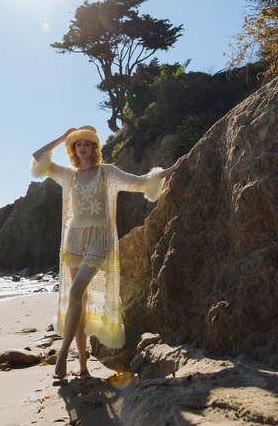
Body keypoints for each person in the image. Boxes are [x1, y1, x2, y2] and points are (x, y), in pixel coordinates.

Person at [31, 125, 187, 380]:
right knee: (78, 300)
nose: (83, 148)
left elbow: (139, 183)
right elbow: (38, 156)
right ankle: (82, 365)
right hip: (75, 238)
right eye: (78, 144)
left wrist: (171, 170)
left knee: (75, 290)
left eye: (87, 144)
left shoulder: (107, 173)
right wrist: (63, 137)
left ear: (94, 148)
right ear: (74, 149)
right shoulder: (68, 175)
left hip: (99, 239)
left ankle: (62, 356)